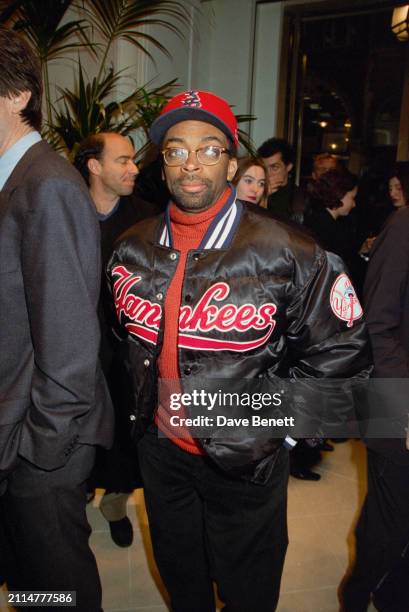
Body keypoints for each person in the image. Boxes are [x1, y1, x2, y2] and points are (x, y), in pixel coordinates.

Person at [107, 89, 371, 612]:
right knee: (183, 581)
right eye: (176, 150)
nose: (191, 164)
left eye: (209, 149)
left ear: (231, 162)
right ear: (162, 165)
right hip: (161, 452)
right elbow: (123, 342)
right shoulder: (131, 246)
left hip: (247, 455)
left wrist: (285, 435)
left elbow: (343, 355)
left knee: (248, 591)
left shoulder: (289, 249)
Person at [0, 27, 113, 610]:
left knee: (56, 590)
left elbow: (69, 343)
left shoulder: (47, 184)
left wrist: (39, 450)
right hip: (19, 431)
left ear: (18, 93)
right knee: (30, 585)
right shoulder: (16, 181)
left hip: (42, 443)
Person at [74, 132, 159, 547]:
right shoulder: (64, 210)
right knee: (76, 437)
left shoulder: (148, 219)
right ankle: (78, 496)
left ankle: (116, 503)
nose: (134, 168)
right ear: (94, 166)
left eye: (133, 160)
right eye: (123, 160)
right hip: (73, 351)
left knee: (127, 440)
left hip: (127, 354)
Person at [339, 205, 409, 612]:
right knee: (389, 523)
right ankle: (357, 594)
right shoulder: (403, 225)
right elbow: (378, 324)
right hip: (397, 403)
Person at [257, 136, 305, 223]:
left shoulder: (300, 198)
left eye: (274, 167)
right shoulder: (255, 192)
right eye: (263, 167)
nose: (267, 173)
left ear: (288, 167)